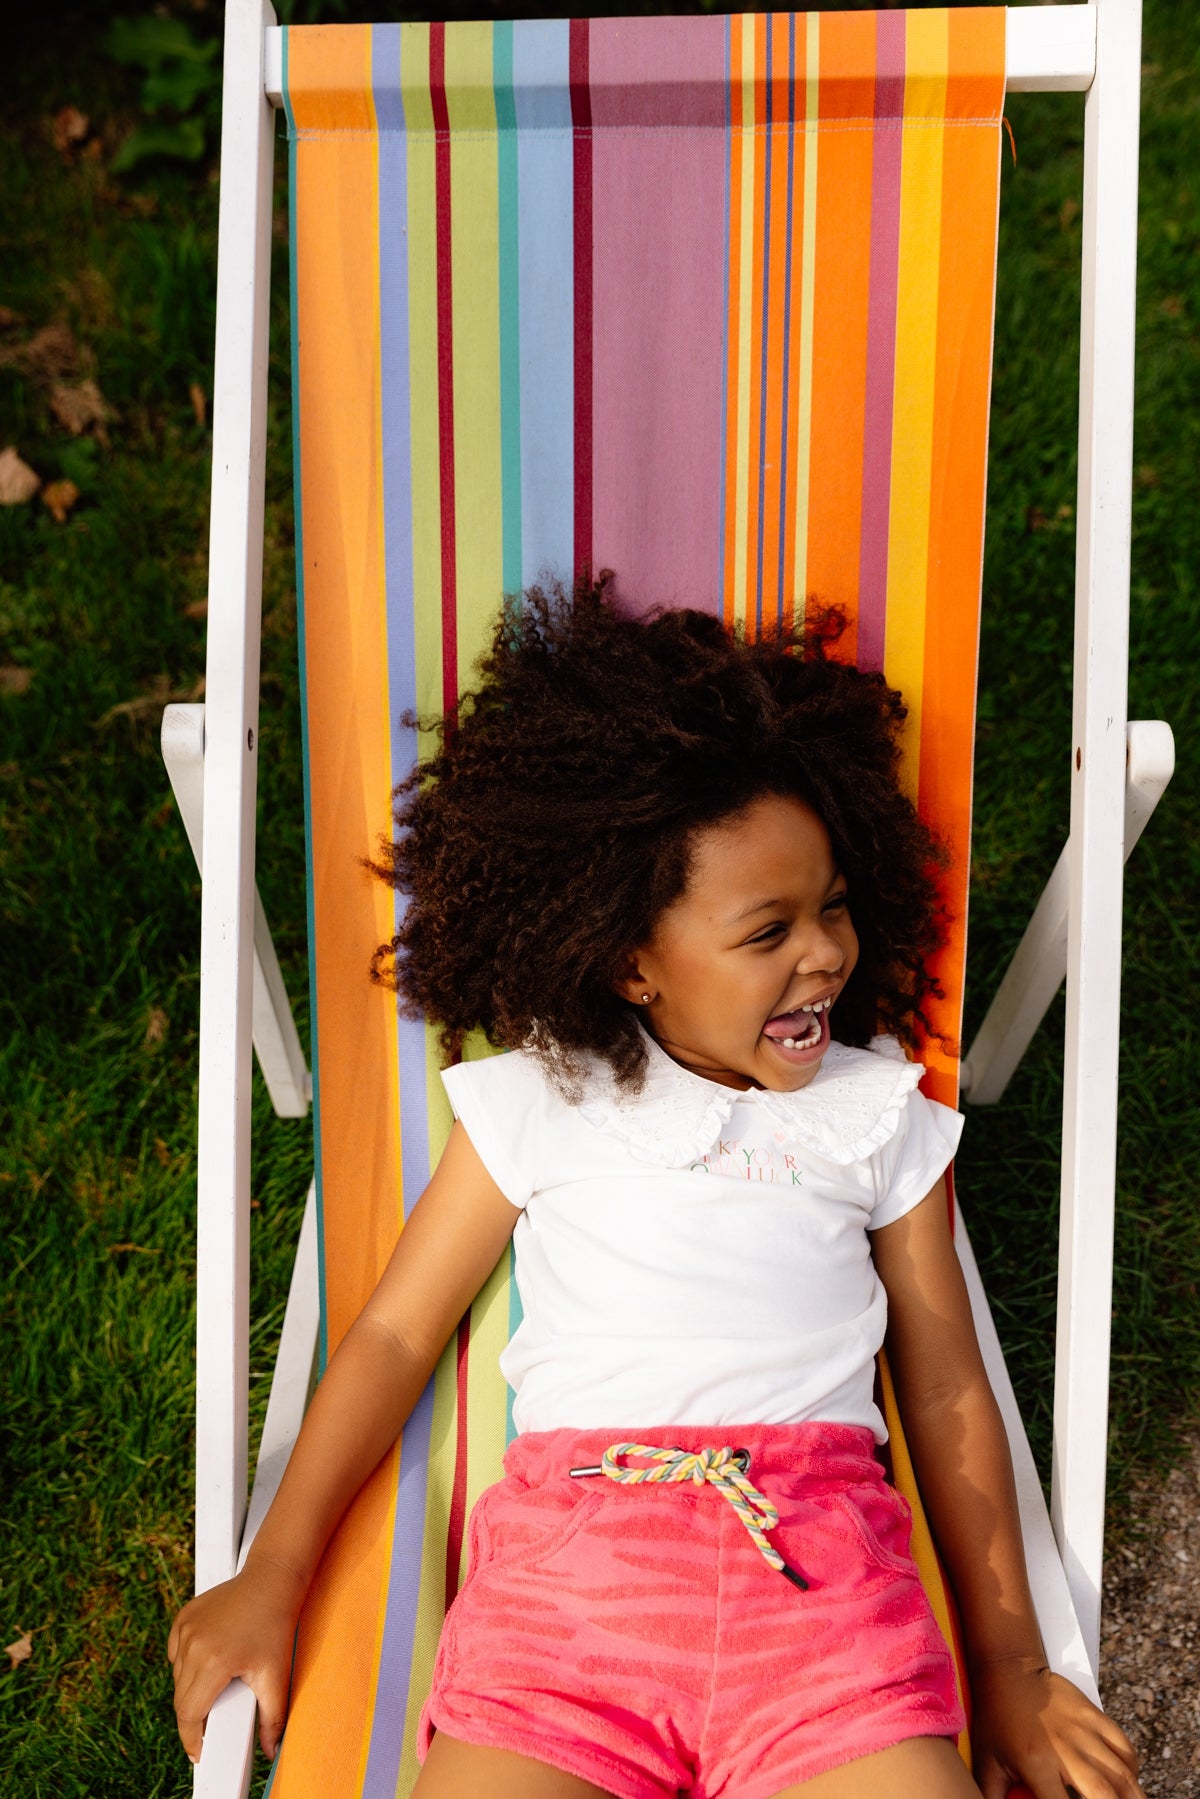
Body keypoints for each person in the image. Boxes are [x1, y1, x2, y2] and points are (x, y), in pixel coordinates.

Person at [168, 581, 1143, 1799]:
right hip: (575, 1595)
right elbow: (396, 1333)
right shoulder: (545, 1097)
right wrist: (273, 1569)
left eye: (834, 907)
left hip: (821, 1595)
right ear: (633, 962)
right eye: (767, 931)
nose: (826, 953)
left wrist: (1010, 1667)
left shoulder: (873, 1109)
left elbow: (946, 1381)